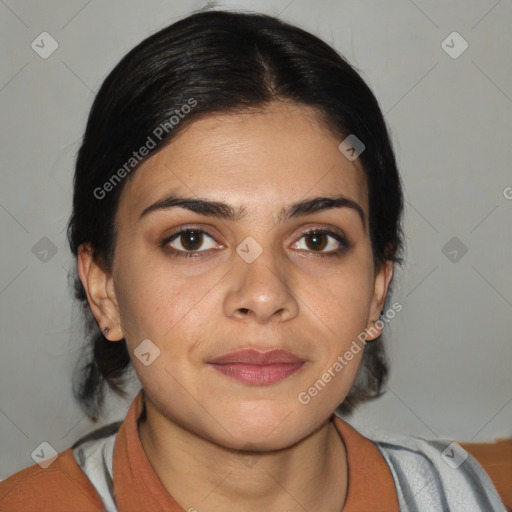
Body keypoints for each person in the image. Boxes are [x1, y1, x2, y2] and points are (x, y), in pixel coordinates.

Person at [0, 7, 507, 512]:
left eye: (316, 240)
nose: (264, 295)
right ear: (104, 289)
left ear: (378, 287)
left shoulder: (470, 497)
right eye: (193, 239)